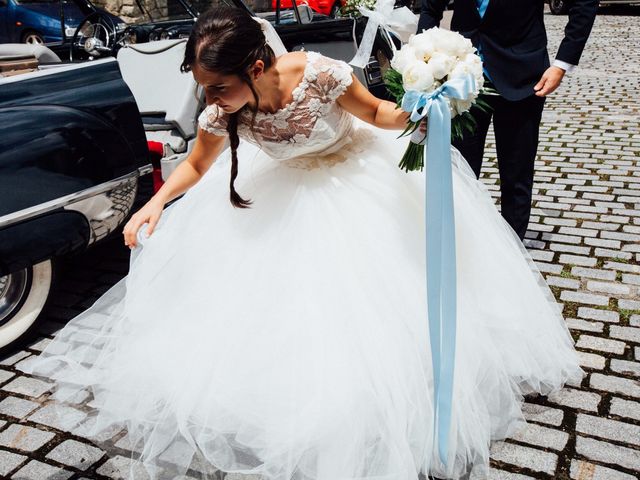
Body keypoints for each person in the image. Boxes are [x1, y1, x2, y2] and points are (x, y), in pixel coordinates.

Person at [23, 6, 583, 480]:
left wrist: (424, 104)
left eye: (218, 86)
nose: (210, 99)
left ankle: (388, 404)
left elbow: (379, 115)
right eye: (204, 88)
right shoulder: (223, 110)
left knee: (377, 308)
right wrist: (153, 202)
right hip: (280, 194)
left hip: (360, 181)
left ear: (259, 66)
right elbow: (196, 163)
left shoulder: (320, 75)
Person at [418, 0, 598, 240]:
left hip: (523, 75)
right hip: (462, 78)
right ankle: (460, 244)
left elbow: (584, 3)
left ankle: (514, 253)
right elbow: (430, 7)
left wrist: (562, 64)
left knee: (516, 174)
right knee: (458, 171)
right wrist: (422, 59)